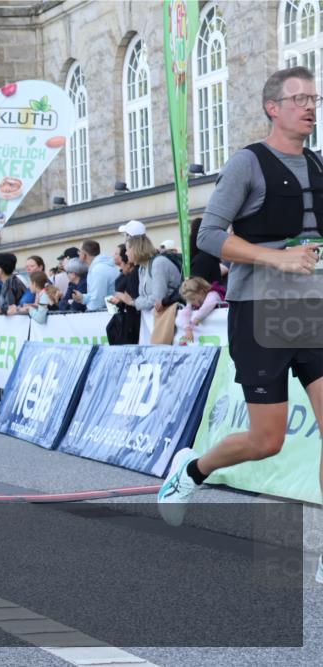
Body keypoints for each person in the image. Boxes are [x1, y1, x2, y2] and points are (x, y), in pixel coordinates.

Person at [159, 68, 323, 579]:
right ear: (272, 107)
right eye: (298, 98)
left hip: (314, 311)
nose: (310, 107)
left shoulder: (319, 164)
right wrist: (276, 260)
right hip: (262, 313)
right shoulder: (247, 164)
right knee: (266, 439)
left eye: (314, 98)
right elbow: (208, 236)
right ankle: (194, 468)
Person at [118, 234, 182, 314]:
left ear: (136, 249)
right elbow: (143, 296)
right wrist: (135, 302)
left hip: (172, 316)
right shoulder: (142, 267)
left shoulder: (158, 263)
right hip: (157, 317)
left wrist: (133, 302)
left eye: (127, 250)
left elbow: (157, 299)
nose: (126, 253)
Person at [106, 243, 142, 345]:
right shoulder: (124, 276)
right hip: (126, 319)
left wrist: (121, 299)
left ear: (129, 264)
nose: (121, 268)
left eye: (122, 263)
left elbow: (132, 299)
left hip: (132, 321)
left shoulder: (134, 275)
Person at [73, 240, 119, 310]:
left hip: (108, 316)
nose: (78, 254)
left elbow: (97, 301)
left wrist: (89, 315)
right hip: (110, 313)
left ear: (84, 254)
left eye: (79, 251)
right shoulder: (97, 267)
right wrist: (82, 298)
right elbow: (95, 295)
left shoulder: (98, 270)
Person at [176, 277, 223, 344]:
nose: (193, 302)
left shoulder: (213, 294)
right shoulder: (193, 300)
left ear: (201, 292)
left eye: (193, 299)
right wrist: (187, 329)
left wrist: (194, 321)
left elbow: (207, 305)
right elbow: (185, 313)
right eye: (190, 300)